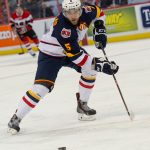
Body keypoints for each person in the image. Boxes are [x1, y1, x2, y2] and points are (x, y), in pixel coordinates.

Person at [7, 0, 119, 135]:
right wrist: (101, 65)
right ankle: (16, 117)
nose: (73, 16)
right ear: (63, 12)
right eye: (68, 13)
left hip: (69, 51)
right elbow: (77, 58)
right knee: (41, 88)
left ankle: (82, 105)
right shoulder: (63, 27)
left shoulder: (88, 11)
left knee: (90, 70)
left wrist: (100, 28)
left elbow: (99, 12)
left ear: (81, 9)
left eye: (76, 12)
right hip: (50, 54)